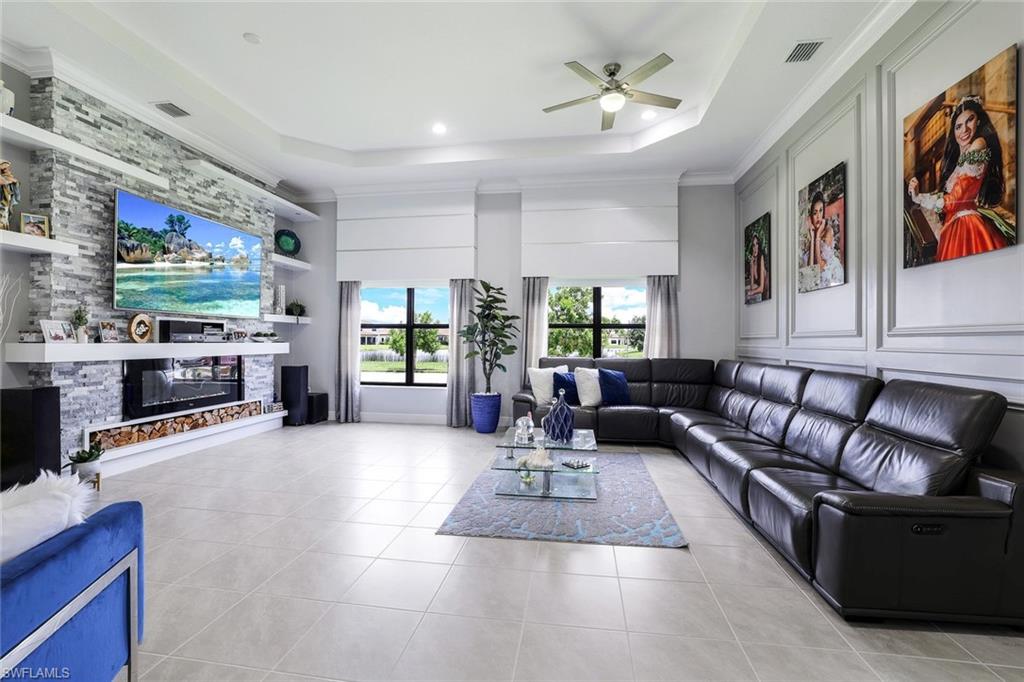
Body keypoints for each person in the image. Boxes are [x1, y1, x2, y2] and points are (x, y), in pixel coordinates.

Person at [908, 95, 1014, 261]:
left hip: (966, 226)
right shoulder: (960, 160)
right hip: (956, 224)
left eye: (970, 120)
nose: (964, 130)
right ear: (954, 132)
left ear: (979, 121)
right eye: (958, 126)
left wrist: (919, 198)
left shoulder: (978, 144)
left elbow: (954, 200)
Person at [746, 233, 768, 303]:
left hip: (767, 292)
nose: (755, 247)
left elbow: (761, 288)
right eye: (753, 245)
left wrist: (751, 292)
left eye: (757, 244)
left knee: (748, 295)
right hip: (761, 294)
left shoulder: (761, 258)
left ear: (759, 246)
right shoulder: (753, 261)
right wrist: (751, 266)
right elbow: (752, 285)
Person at [0, 159, 20, 231]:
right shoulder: (4, 178)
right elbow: (4, 181)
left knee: (5, 216)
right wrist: (9, 180)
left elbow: (15, 182)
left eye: (8, 168)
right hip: (2, 200)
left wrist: (12, 181)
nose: (7, 170)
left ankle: (4, 228)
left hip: (7, 200)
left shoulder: (8, 177)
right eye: (5, 168)